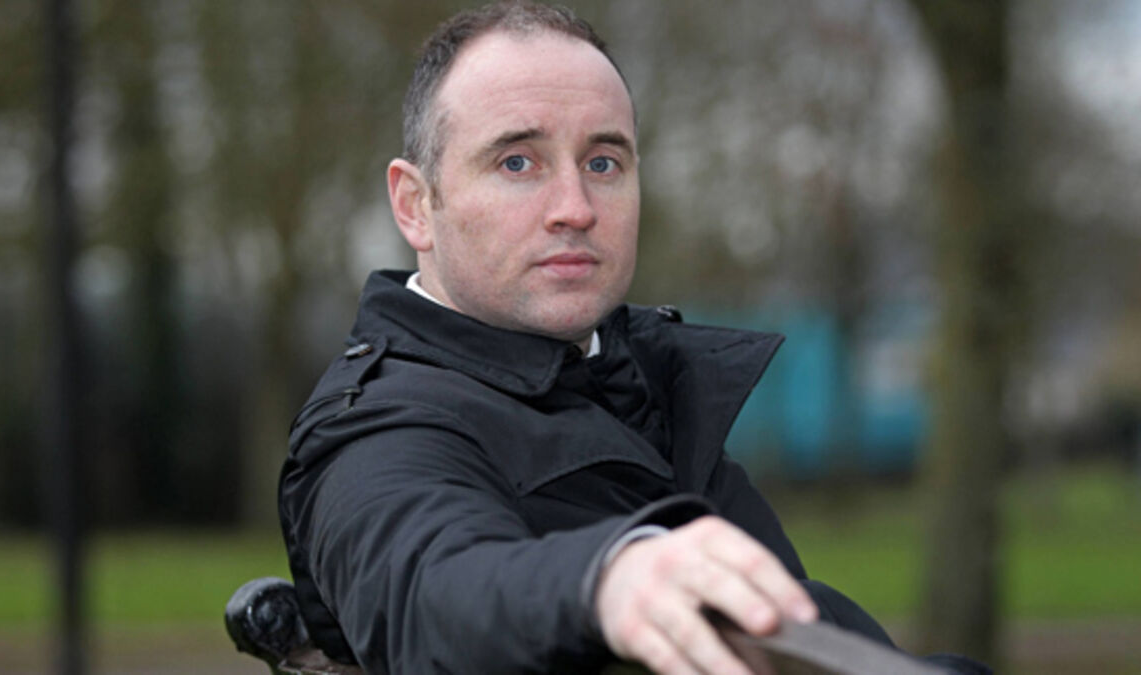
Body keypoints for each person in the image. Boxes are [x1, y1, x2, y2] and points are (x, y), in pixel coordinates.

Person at [279, 3, 986, 674]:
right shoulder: (377, 431)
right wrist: (605, 577)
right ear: (415, 205)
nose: (575, 208)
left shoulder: (654, 389)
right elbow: (436, 596)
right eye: (517, 162)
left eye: (603, 163)